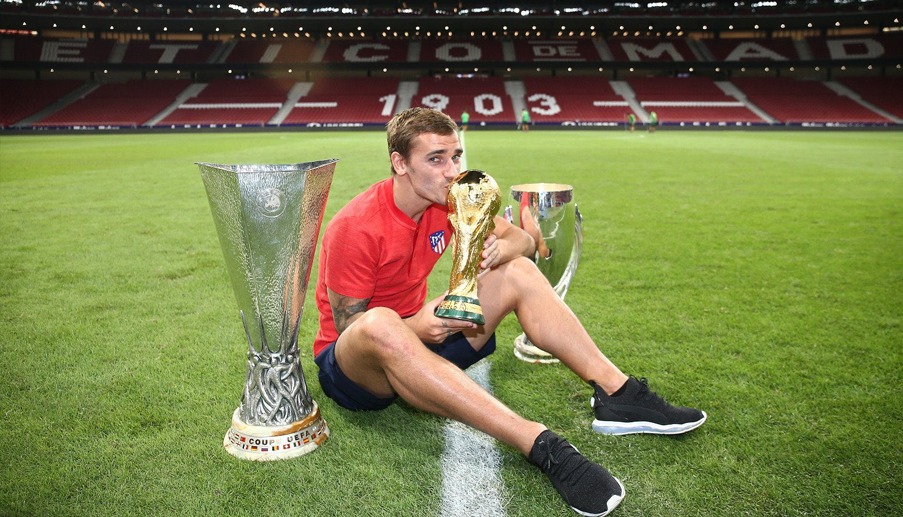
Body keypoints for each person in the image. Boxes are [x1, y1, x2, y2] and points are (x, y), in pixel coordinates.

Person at [312, 107, 706, 516]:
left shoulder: (451, 201)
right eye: (436, 159)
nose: (452, 171)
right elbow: (351, 328)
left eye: (455, 156)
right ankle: (541, 444)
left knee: (517, 271)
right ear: (400, 163)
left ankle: (617, 394)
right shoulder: (356, 225)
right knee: (381, 323)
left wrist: (502, 249)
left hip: (424, 338)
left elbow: (524, 241)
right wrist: (417, 327)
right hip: (355, 368)